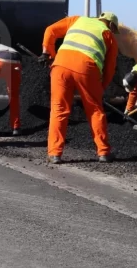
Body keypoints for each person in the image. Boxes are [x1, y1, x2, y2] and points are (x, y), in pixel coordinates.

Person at [39, 11, 120, 164]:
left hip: (60, 65)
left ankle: (55, 154)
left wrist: (48, 53)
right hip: (87, 68)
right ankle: (103, 152)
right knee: (95, 109)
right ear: (110, 24)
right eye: (114, 29)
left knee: (58, 109)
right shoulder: (108, 34)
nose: (113, 32)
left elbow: (50, 30)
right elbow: (110, 69)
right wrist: (100, 88)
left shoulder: (77, 20)